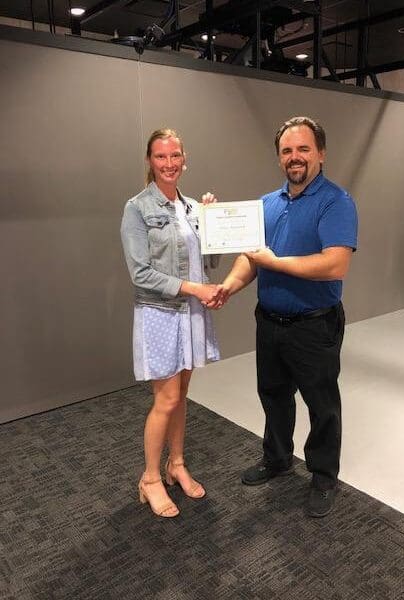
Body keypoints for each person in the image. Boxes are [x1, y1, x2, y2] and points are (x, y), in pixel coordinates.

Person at [212, 116, 358, 517]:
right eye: (287, 151)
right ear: (279, 158)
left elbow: (335, 264)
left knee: (321, 404)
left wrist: (276, 262)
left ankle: (324, 475)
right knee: (274, 396)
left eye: (304, 149)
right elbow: (250, 259)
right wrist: (228, 285)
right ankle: (277, 458)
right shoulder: (265, 205)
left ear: (321, 153)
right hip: (270, 322)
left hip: (315, 324)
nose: (295, 157)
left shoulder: (336, 202)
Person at [120, 128, 222, 518]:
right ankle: (149, 478)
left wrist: (211, 221)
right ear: (150, 160)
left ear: (184, 158)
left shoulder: (193, 207)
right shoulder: (137, 208)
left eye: (175, 156)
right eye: (161, 157)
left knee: (180, 396)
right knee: (165, 400)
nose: (169, 164)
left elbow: (211, 262)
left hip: (190, 313)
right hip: (161, 314)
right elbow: (140, 274)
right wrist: (194, 289)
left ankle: (175, 464)